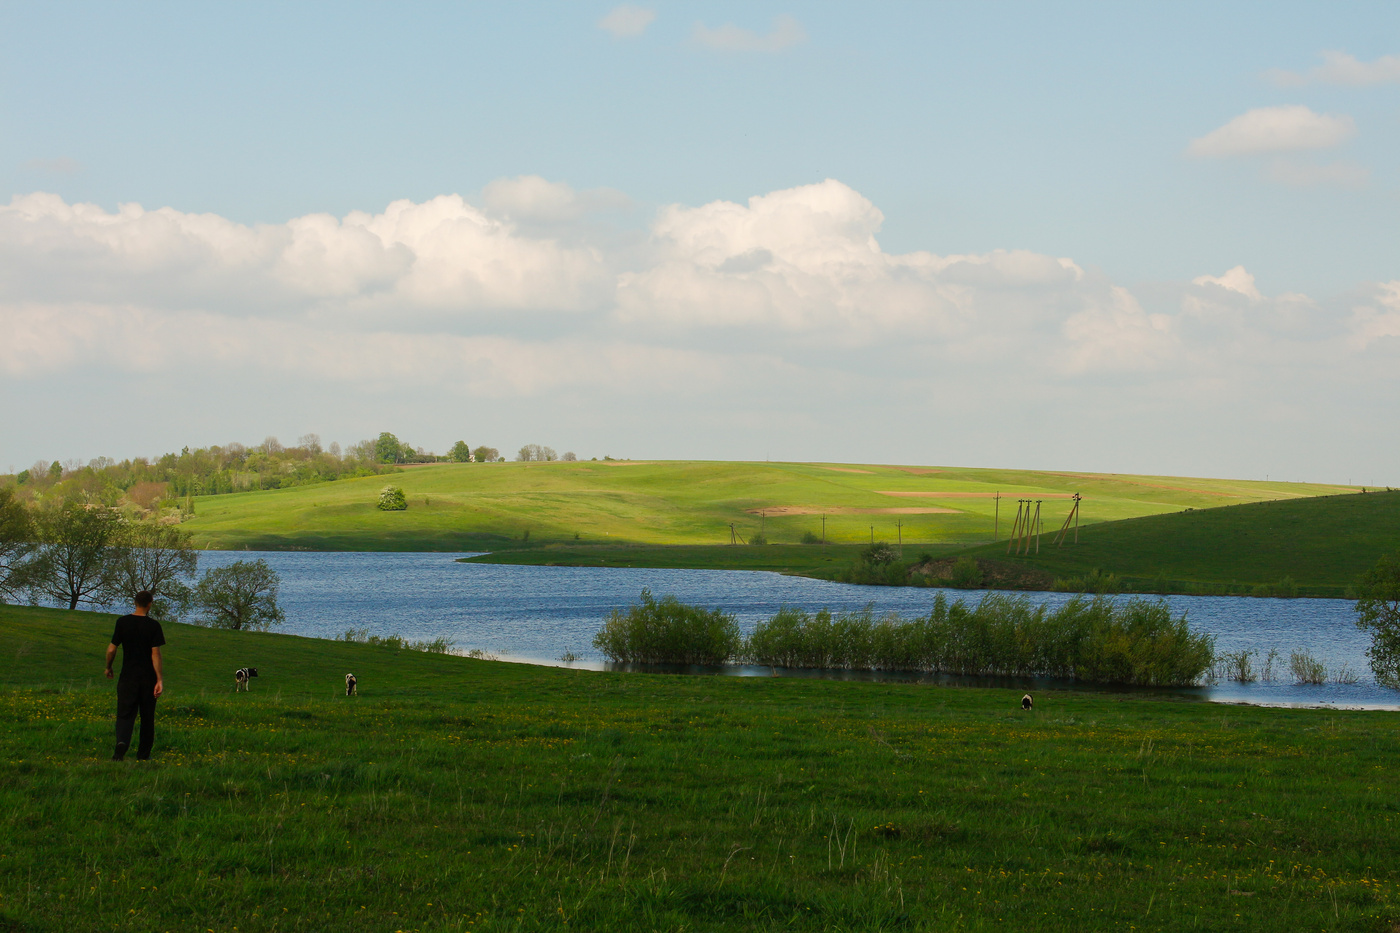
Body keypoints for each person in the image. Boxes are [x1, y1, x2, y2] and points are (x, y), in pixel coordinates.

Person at [104, 590, 165, 761]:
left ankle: (122, 742)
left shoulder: (122, 622)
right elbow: (155, 654)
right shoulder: (153, 626)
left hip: (128, 677)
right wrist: (159, 679)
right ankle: (143, 755)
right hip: (148, 678)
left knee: (125, 714)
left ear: (135, 602)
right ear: (150, 604)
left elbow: (111, 649)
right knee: (147, 717)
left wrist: (108, 667)